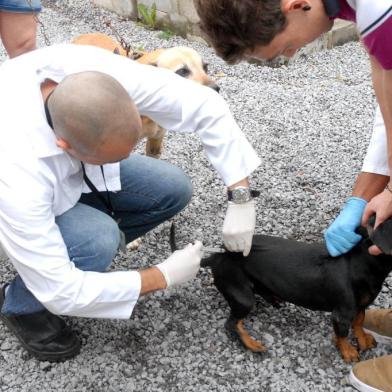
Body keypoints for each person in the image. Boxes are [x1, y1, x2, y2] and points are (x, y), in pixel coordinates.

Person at [0, 44, 261, 361]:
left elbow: (205, 103)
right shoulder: (16, 175)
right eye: (110, 158)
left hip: (63, 164)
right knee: (98, 239)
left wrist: (241, 197)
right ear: (65, 147)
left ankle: (83, 244)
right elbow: (60, 290)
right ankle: (21, 305)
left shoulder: (92, 68)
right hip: (17, 191)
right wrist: (161, 276)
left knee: (171, 187)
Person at [194, 0, 392, 390]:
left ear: (295, 6)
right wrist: (361, 197)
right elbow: (388, 114)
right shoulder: (367, 16)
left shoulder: (380, 11)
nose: (293, 55)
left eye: (285, 48)